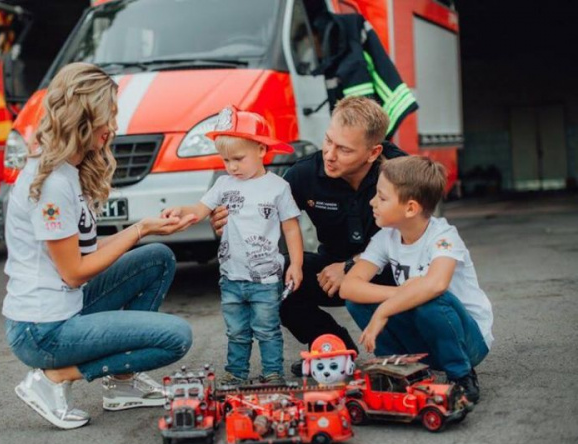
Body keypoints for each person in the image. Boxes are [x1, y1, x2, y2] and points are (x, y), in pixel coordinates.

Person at [2, 62, 197, 429]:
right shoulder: (52, 184)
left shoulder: (68, 171)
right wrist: (139, 229)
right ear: (83, 118)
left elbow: (83, 253)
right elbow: (74, 272)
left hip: (64, 309)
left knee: (157, 259)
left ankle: (122, 385)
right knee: (175, 337)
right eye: (108, 116)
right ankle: (53, 379)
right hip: (42, 331)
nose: (112, 128)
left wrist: (150, 230)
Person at [210, 96, 404, 376]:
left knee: (422, 284)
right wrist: (226, 221)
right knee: (277, 277)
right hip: (328, 272)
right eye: (328, 141)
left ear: (373, 153)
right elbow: (262, 210)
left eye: (344, 150)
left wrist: (351, 267)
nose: (330, 155)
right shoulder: (304, 175)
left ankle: (418, 348)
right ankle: (333, 347)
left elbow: (414, 238)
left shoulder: (400, 172)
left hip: (391, 272)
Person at [162, 106, 303, 386]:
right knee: (237, 331)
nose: (232, 167)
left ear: (262, 150)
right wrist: (181, 211)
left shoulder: (277, 187)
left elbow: (291, 227)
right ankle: (236, 373)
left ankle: (273, 373)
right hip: (231, 277)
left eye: (238, 159)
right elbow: (200, 209)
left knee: (267, 329)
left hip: (266, 278)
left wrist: (296, 264)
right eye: (226, 160)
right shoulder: (224, 184)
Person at [340, 156, 492, 403]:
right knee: (359, 302)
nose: (372, 202)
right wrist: (399, 295)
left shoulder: (443, 237)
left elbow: (436, 284)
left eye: (382, 197)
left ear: (411, 208)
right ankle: (397, 370)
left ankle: (461, 374)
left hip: (467, 339)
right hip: (425, 337)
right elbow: (349, 287)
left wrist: (384, 311)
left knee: (430, 300)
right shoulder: (386, 237)